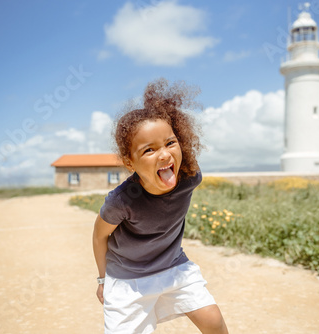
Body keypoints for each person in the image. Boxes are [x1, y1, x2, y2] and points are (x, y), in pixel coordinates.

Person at [93, 78, 229, 334]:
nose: (164, 154)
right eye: (149, 150)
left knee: (213, 320)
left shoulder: (189, 178)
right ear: (130, 163)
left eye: (170, 143)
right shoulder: (122, 200)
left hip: (173, 267)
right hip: (127, 279)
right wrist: (103, 279)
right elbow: (100, 235)